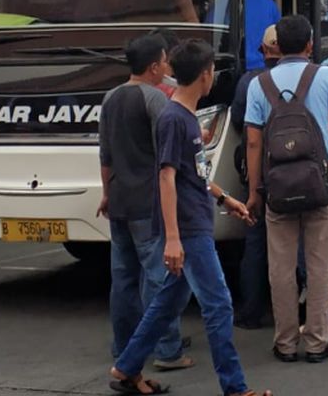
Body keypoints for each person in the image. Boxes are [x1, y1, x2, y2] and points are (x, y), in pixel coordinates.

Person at [109, 40, 269, 396]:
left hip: (196, 217)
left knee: (169, 301)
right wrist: (173, 237)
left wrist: (226, 198)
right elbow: (166, 177)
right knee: (219, 305)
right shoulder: (173, 119)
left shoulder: (187, 118)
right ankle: (235, 388)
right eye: (212, 70)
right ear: (205, 74)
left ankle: (126, 368)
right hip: (188, 226)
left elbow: (192, 174)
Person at [244, 15, 328, 363]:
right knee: (322, 265)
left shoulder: (259, 83)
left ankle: (286, 342)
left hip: (277, 188)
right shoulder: (327, 76)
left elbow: (252, 142)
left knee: (280, 267)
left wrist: (254, 191)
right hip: (322, 184)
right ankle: (317, 342)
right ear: (310, 45)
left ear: (275, 46)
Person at [98, 34, 192, 372]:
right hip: (148, 202)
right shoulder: (155, 100)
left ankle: (123, 346)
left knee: (122, 280)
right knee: (160, 279)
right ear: (154, 67)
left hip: (119, 200)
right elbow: (169, 153)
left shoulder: (110, 98)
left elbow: (105, 153)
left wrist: (106, 193)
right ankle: (167, 350)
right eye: (165, 61)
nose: (168, 67)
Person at [230, 26, 282, 331]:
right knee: (298, 246)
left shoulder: (250, 82)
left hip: (261, 171)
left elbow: (242, 125)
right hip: (301, 173)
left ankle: (251, 311)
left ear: (263, 51)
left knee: (256, 243)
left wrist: (252, 187)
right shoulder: (315, 77)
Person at [243, 0, 281, 72]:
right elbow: (278, 39)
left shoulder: (225, 4)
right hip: (263, 68)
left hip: (233, 68)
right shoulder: (271, 5)